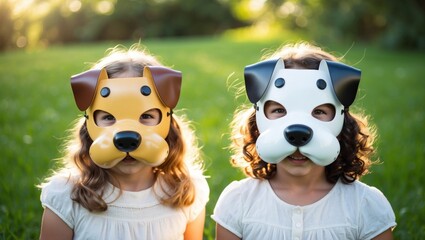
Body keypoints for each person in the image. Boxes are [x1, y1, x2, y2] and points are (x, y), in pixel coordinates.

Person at [212, 42, 396, 240]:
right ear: (257, 117)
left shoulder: (365, 205)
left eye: (319, 112)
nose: (298, 134)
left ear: (343, 117)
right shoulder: (238, 202)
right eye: (279, 110)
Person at [39, 44, 209, 240]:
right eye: (109, 118)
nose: (127, 135)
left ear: (168, 120)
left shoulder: (187, 193)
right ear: (89, 123)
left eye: (146, 116)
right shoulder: (66, 196)